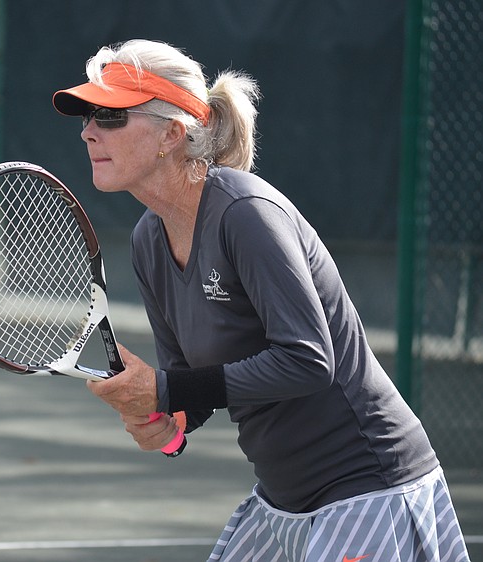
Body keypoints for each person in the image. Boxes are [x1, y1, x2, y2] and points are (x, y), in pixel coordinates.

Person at [52, 39, 469, 562]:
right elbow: (190, 387)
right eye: (88, 115)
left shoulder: (247, 214)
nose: (88, 130)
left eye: (110, 115)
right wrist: (166, 420)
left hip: (368, 489)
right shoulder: (149, 240)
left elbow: (308, 361)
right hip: (282, 501)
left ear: (171, 134)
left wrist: (164, 387)